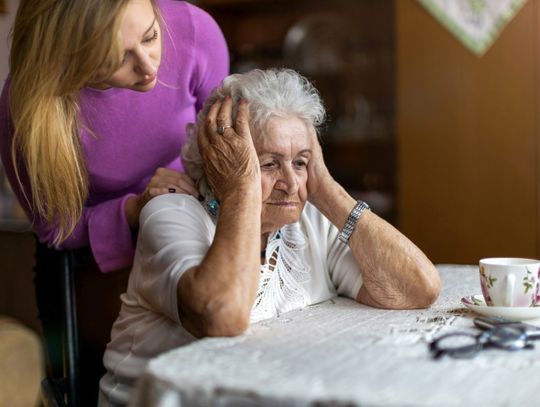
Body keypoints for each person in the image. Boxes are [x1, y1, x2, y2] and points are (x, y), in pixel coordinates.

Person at [99, 68, 441, 406]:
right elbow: (222, 316)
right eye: (269, 164)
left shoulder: (308, 220)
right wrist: (241, 187)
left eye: (301, 163)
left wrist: (328, 191)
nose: (291, 184)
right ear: (221, 162)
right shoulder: (172, 212)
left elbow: (417, 288)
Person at [0, 0, 228, 404]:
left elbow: (224, 151)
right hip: (84, 268)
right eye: (115, 59)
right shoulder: (24, 105)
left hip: (185, 237)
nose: (148, 67)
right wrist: (134, 208)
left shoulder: (194, 31)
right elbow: (55, 226)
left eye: (150, 37)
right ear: (67, 60)